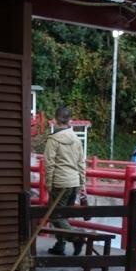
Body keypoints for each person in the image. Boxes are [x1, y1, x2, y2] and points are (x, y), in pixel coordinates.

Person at [44, 106, 86, 255]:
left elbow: (49, 164)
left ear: (55, 120)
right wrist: (82, 184)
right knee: (63, 216)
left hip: (60, 182)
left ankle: (75, 238)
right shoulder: (76, 139)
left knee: (55, 215)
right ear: (70, 121)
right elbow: (81, 163)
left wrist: (49, 184)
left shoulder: (53, 140)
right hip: (74, 182)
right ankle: (60, 245)